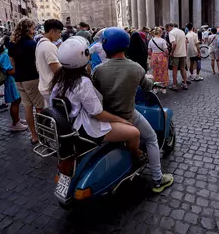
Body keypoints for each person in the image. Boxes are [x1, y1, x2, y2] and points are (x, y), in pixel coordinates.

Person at [93, 27, 173, 193]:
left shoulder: (98, 70)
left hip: (107, 118)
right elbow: (147, 85)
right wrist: (152, 81)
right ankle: (158, 179)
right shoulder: (136, 68)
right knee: (151, 138)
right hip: (128, 115)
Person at [50, 36, 147, 164]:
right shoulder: (82, 82)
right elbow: (98, 114)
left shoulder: (59, 78)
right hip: (85, 128)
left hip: (70, 124)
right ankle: (136, 154)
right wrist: (122, 120)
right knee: (134, 132)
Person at [9, 18, 45, 144]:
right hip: (32, 78)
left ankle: (34, 136)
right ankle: (43, 134)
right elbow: (38, 62)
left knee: (28, 107)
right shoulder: (32, 44)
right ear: (28, 28)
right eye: (33, 28)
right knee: (39, 107)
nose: (34, 30)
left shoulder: (12, 43)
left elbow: (12, 64)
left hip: (18, 79)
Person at [0, 36, 27, 132]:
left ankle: (17, 120)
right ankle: (15, 124)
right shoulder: (6, 54)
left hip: (12, 80)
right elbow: (10, 71)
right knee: (15, 101)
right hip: (12, 80)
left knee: (16, 101)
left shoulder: (6, 52)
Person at [35, 19, 63, 106]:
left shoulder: (40, 43)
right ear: (52, 31)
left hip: (44, 85)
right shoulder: (49, 46)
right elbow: (57, 70)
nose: (60, 35)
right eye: (59, 32)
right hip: (51, 87)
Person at [165, 23, 188, 91]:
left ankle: (174, 85)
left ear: (169, 27)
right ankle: (185, 83)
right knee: (182, 68)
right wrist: (185, 52)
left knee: (174, 70)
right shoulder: (182, 31)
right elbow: (186, 42)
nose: (167, 31)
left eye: (167, 29)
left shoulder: (171, 33)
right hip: (183, 53)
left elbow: (174, 43)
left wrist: (171, 52)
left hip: (176, 54)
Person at [148, 27, 169, 93]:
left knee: (155, 72)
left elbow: (149, 51)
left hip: (154, 56)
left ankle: (155, 87)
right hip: (162, 57)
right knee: (163, 71)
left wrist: (153, 55)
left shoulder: (151, 40)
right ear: (160, 32)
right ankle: (163, 88)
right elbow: (166, 51)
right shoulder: (162, 40)